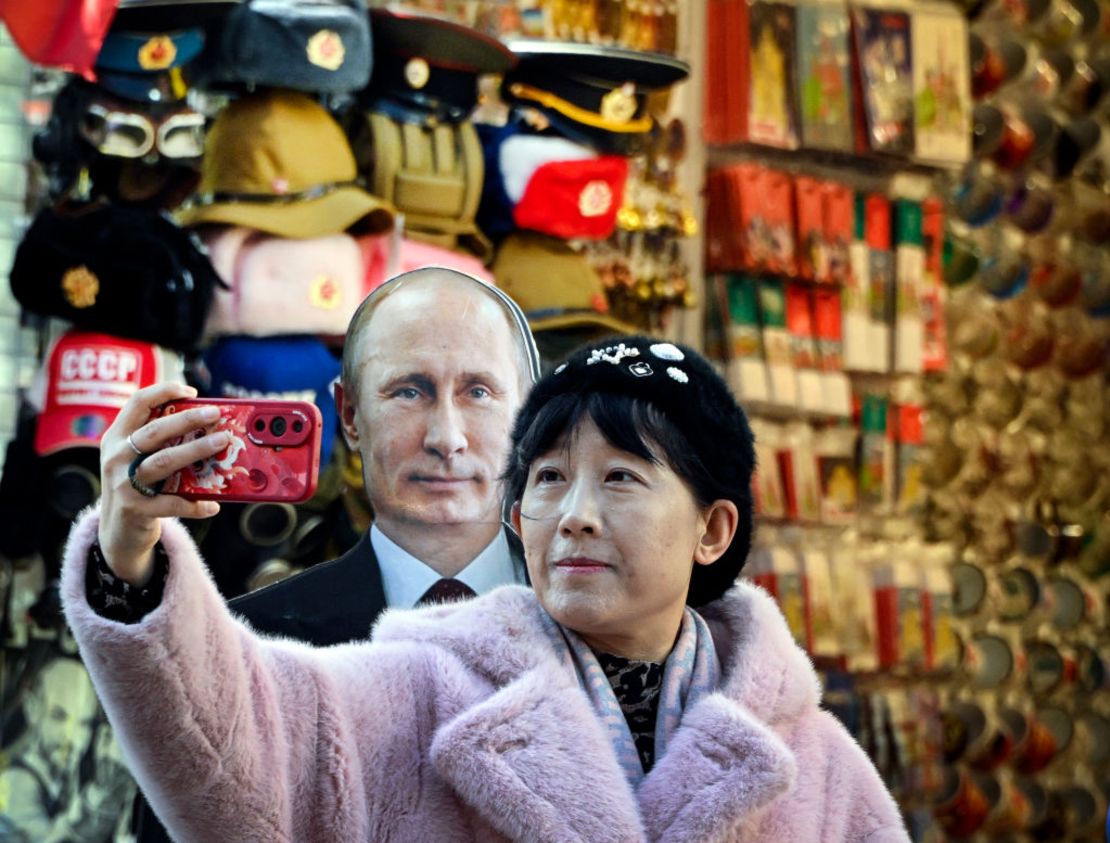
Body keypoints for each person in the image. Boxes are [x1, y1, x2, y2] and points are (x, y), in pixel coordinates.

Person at [62, 335, 909, 842]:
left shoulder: (819, 768)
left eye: (620, 478)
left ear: (713, 530)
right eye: (546, 478)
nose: (572, 514)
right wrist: (130, 545)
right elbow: (237, 745)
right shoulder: (416, 699)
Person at [226, 266, 541, 645]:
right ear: (350, 416)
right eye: (408, 392)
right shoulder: (254, 640)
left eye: (478, 393)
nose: (446, 438)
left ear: (527, 411)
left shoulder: (604, 626)